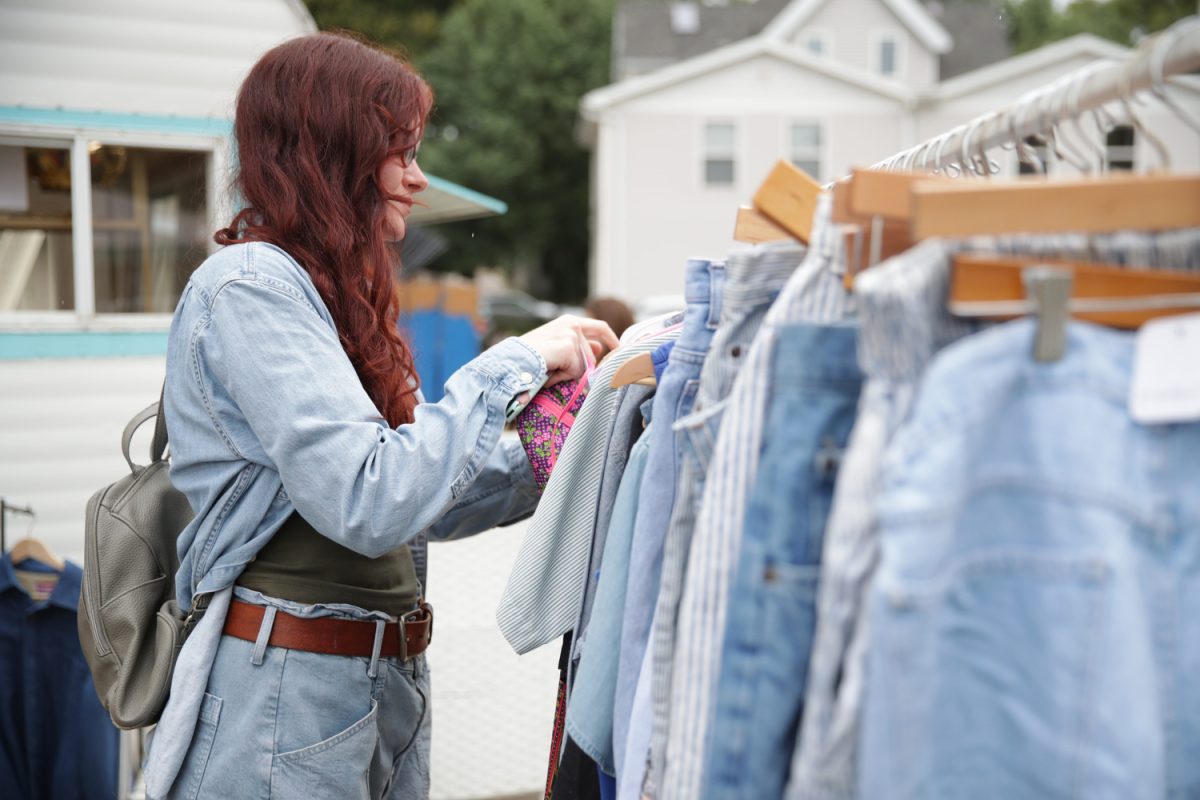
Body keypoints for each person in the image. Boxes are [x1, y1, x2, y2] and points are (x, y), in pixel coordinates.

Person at [147, 33, 617, 799]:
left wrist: (568, 450)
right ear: (330, 152)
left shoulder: (327, 297)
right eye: (398, 151)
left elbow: (421, 496)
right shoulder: (249, 285)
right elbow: (373, 498)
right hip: (287, 698)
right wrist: (518, 361)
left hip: (361, 685)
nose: (418, 178)